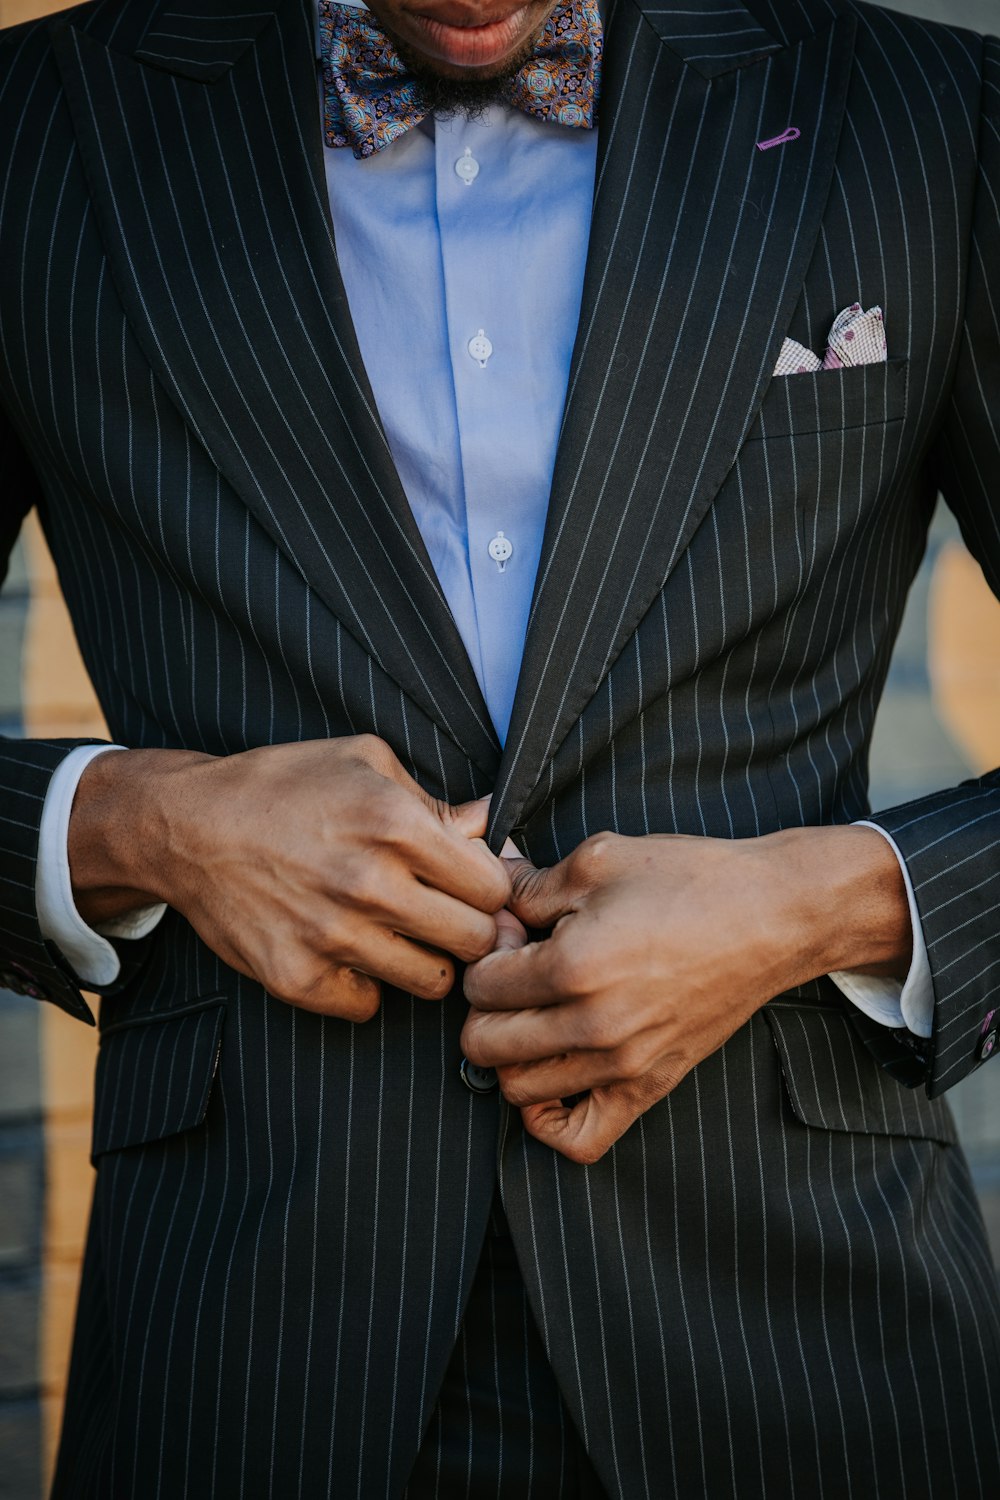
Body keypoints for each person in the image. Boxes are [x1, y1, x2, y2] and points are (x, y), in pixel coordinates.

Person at [1, 0, 998, 1493]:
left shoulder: (933, 117)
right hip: (247, 1367)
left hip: (814, 1350)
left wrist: (824, 906)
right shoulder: (33, 129)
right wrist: (140, 826)